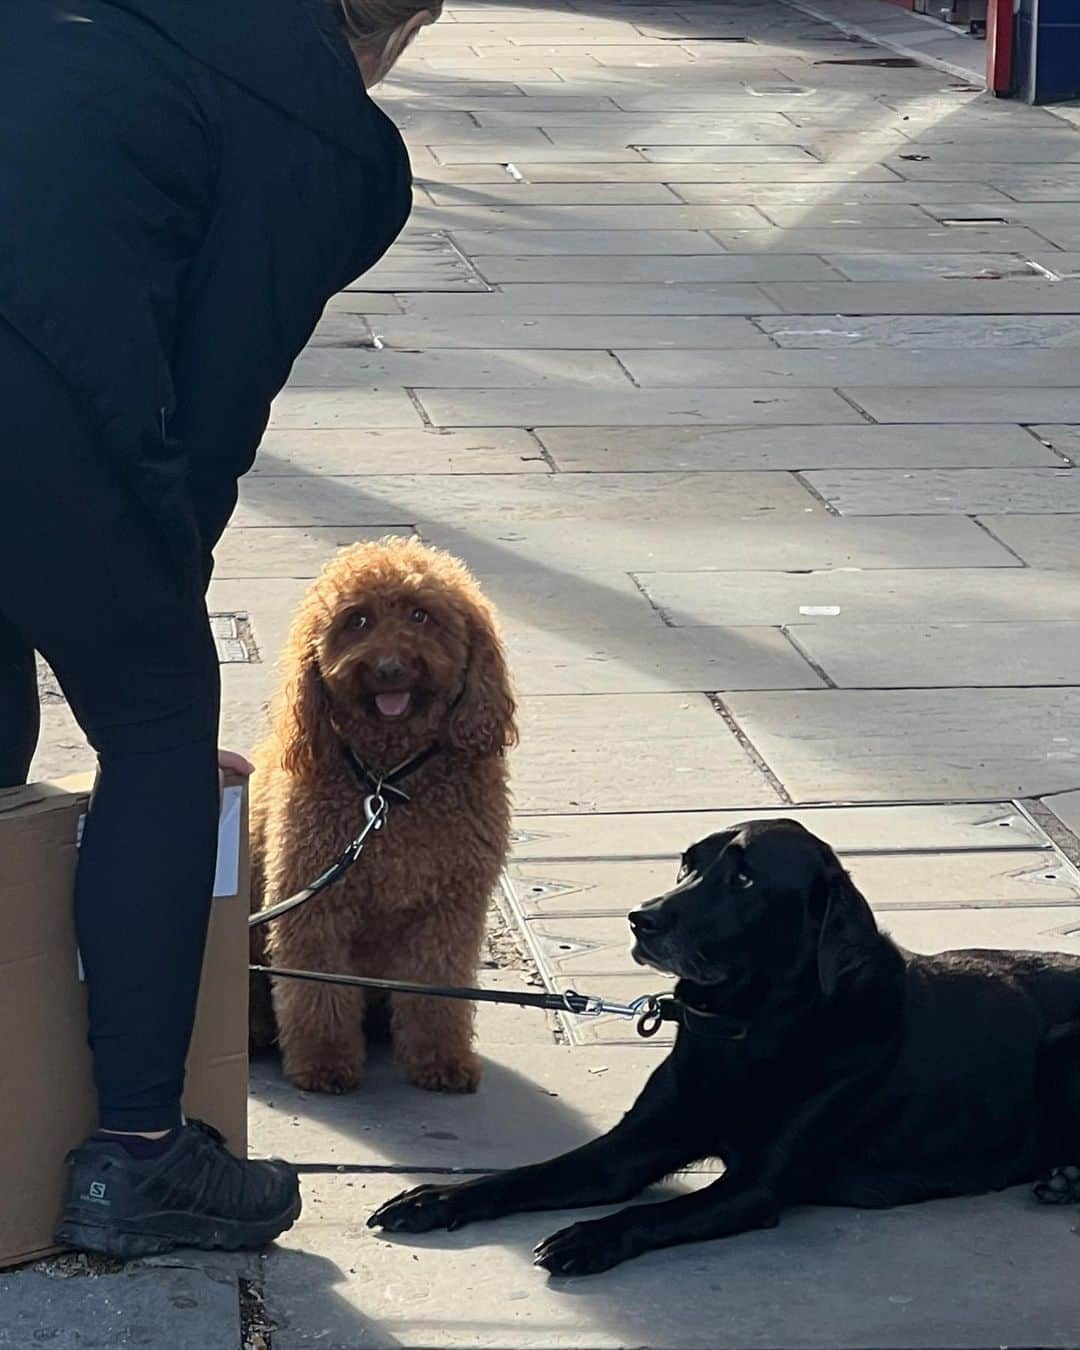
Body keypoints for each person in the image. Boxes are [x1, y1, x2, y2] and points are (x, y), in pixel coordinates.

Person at [0, 0, 438, 1258]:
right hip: (38, 386)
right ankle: (138, 1158)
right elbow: (218, 384)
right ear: (396, 28)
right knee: (154, 734)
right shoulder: (318, 122)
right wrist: (155, 636)